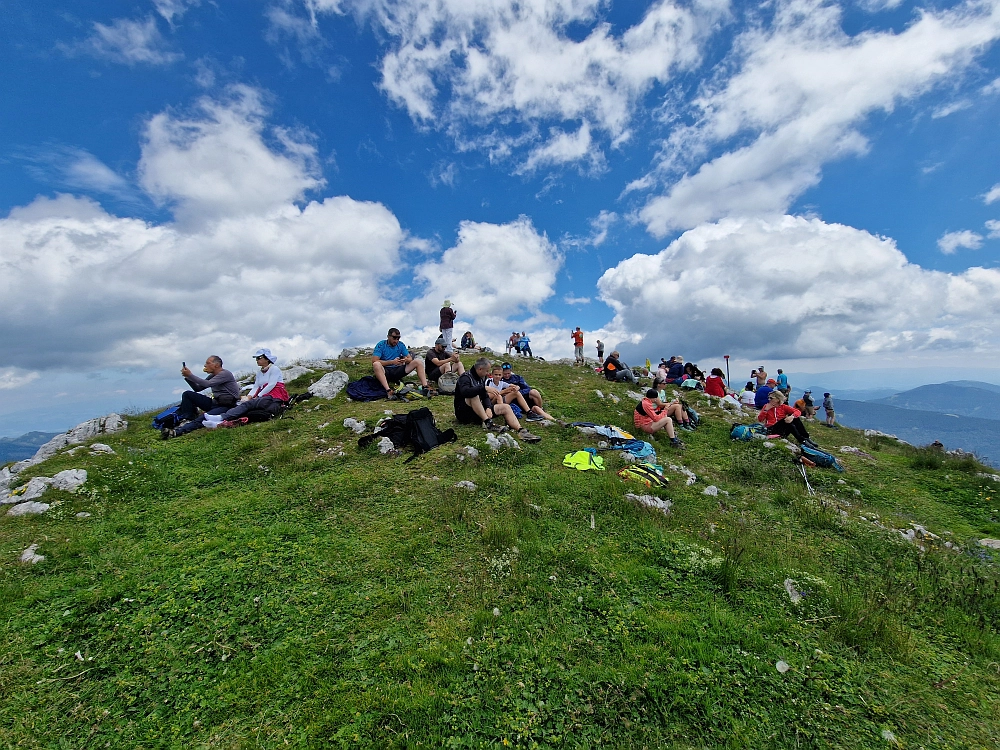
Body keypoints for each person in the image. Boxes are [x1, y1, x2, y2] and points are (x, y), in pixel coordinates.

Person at [453, 358, 541, 442]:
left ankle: (521, 431)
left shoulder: (481, 377)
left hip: (479, 412)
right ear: (480, 369)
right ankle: (488, 423)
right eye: (487, 371)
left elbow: (484, 396)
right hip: (464, 413)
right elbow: (465, 392)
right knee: (474, 395)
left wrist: (488, 407)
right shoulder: (465, 377)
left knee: (505, 407)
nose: (488, 374)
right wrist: (483, 388)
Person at [164, 355, 241, 439]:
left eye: (208, 363)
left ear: (217, 365)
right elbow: (198, 388)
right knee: (188, 394)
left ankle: (177, 432)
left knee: (204, 418)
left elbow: (207, 384)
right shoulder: (213, 375)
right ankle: (187, 418)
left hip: (226, 406)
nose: (205, 365)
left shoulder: (225, 374)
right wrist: (188, 377)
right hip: (215, 403)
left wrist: (190, 375)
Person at [218, 349, 290, 427]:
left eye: (259, 358)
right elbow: (256, 386)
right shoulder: (259, 373)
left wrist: (259, 396)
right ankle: (224, 419)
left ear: (267, 359)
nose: (257, 360)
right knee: (245, 403)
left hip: (274, 396)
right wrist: (249, 396)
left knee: (248, 404)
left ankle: (222, 417)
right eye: (256, 358)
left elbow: (271, 385)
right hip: (265, 396)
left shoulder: (274, 369)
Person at [371, 328, 431, 399]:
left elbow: (410, 358)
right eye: (394, 338)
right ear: (388, 336)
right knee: (376, 364)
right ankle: (388, 390)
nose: (396, 340)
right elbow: (375, 361)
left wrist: (405, 360)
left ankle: (425, 386)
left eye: (398, 338)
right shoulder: (381, 345)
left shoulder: (401, 345)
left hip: (398, 370)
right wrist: (392, 362)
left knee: (418, 361)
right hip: (386, 371)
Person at [486, 365, 556, 422]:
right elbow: (487, 395)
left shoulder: (504, 382)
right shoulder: (488, 381)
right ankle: (502, 414)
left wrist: (516, 388)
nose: (498, 376)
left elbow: (518, 387)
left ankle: (530, 413)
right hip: (493, 402)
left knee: (518, 393)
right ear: (492, 374)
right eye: (496, 375)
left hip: (523, 398)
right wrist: (504, 391)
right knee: (499, 396)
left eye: (499, 375)